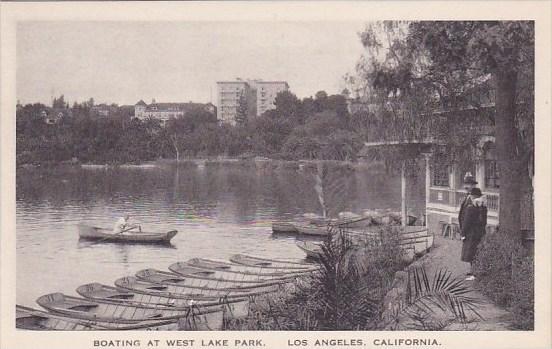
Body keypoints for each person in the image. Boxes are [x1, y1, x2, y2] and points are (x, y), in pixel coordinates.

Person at [460, 188, 488, 280]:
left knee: (471, 253)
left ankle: (474, 274)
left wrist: (463, 233)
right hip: (480, 233)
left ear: (473, 196)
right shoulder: (483, 207)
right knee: (477, 251)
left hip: (471, 234)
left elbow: (466, 223)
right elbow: (484, 222)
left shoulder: (471, 208)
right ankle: (474, 271)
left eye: (471, 196)